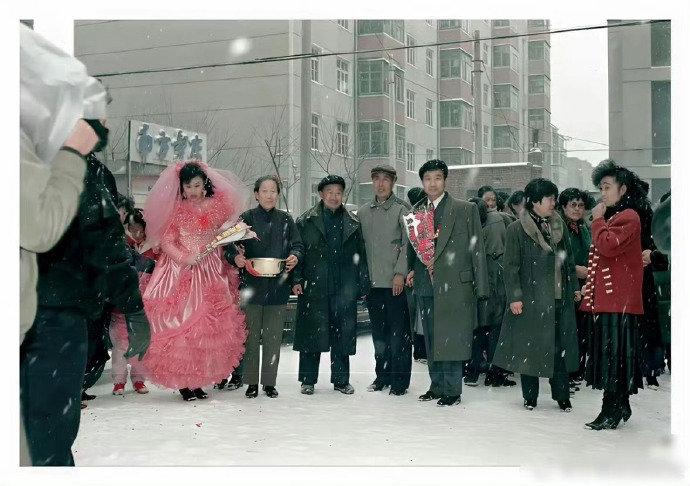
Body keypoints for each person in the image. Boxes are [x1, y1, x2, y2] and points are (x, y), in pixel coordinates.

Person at [20, 120, 100, 466]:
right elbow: (42, 228)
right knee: (47, 436)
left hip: (53, 304)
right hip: (56, 309)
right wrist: (72, 156)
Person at [141, 161, 248, 401]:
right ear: (182, 187)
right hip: (183, 272)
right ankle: (184, 384)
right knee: (185, 328)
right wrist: (185, 258)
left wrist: (232, 235)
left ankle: (198, 381)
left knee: (207, 330)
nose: (193, 191)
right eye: (188, 186)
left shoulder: (217, 206)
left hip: (212, 271)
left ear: (205, 184)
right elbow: (167, 242)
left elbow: (223, 235)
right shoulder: (175, 210)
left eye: (197, 185)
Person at [492, 178, 581, 412]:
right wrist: (515, 297)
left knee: (559, 350)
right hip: (530, 300)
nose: (554, 203)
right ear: (535, 201)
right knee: (529, 349)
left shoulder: (559, 225)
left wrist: (574, 288)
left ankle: (562, 396)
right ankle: (530, 396)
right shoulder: (516, 229)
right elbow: (510, 267)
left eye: (554, 198)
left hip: (558, 297)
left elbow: (569, 261)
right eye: (549, 199)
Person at [406, 160, 489, 407]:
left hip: (456, 284)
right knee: (431, 337)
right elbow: (412, 248)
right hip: (426, 283)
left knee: (451, 337)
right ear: (422, 182)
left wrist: (481, 287)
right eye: (427, 179)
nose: (432, 183)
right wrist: (411, 270)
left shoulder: (465, 209)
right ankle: (437, 385)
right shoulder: (416, 212)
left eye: (437, 178)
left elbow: (477, 249)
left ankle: (452, 390)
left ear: (445, 180)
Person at [225, 175, 304, 399]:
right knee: (250, 337)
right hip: (251, 286)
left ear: (278, 194)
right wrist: (236, 258)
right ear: (256, 194)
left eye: (273, 191)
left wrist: (295, 256)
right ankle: (251, 382)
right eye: (265, 191)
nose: (269, 195)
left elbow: (298, 245)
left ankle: (269, 382)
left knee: (273, 337)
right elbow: (228, 245)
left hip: (278, 287)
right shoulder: (246, 219)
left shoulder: (286, 219)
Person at [581, 160, 645, 430]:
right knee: (614, 358)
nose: (602, 193)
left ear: (623, 189)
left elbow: (607, 246)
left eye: (607, 187)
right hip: (611, 301)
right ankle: (620, 404)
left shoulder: (628, 216)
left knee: (613, 358)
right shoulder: (616, 216)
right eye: (601, 188)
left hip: (619, 302)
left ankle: (611, 410)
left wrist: (597, 220)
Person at [293, 175, 370, 395]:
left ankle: (341, 380)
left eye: (338, 193)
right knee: (312, 334)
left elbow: (361, 255)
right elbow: (298, 251)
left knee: (342, 336)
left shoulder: (353, 223)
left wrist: (362, 284)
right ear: (321, 194)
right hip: (314, 286)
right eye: (329, 192)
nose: (334, 197)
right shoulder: (306, 220)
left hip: (344, 287)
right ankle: (308, 380)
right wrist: (296, 279)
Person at [358, 165, 412, 396]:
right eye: (376, 179)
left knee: (399, 335)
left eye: (385, 180)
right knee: (379, 335)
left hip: (395, 284)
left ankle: (399, 381)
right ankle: (382, 376)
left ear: (393, 183)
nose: (380, 184)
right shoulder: (363, 212)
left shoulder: (403, 210)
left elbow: (409, 244)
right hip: (373, 285)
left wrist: (400, 273)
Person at [464, 197, 515, 388]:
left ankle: (474, 370)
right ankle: (494, 373)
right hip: (496, 278)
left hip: (478, 279)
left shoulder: (467, 225)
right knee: (496, 328)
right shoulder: (501, 220)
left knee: (477, 327)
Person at [110, 212, 157, 396]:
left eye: (140, 230)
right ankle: (118, 381)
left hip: (145, 304)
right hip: (121, 303)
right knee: (119, 344)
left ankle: (139, 379)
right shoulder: (121, 246)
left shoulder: (154, 249)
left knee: (141, 342)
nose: (136, 233)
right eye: (132, 229)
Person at [558, 188, 594, 388]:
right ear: (563, 206)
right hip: (566, 284)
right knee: (567, 330)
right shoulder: (559, 227)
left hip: (584, 284)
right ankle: (566, 372)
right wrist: (575, 270)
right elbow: (557, 258)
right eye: (573, 205)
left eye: (581, 205)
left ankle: (577, 369)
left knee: (582, 329)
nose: (577, 209)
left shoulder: (584, 227)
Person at [406, 187, 428, 363]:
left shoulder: (413, 217)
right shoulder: (418, 218)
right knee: (422, 315)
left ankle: (419, 349)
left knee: (418, 315)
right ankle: (422, 350)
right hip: (421, 272)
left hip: (416, 272)